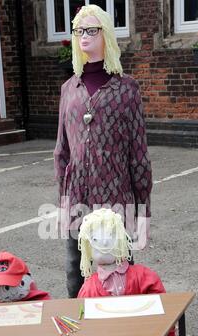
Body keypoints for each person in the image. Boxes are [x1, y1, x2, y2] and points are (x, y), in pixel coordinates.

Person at [54, 4, 152, 299]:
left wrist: (143, 212)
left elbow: (139, 154)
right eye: (79, 30)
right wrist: (63, 201)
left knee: (120, 276)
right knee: (77, 274)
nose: (84, 35)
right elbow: (62, 151)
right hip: (78, 199)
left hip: (115, 201)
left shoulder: (126, 89)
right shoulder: (69, 89)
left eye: (92, 29)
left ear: (106, 34)